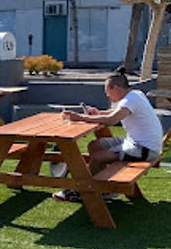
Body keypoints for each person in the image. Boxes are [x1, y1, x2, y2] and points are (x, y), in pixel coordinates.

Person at [53, 67, 163, 202]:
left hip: (146, 149)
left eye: (107, 91)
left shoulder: (130, 100)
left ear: (116, 88)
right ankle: (103, 187)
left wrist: (80, 117)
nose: (107, 95)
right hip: (136, 142)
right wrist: (98, 113)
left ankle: (82, 190)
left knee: (98, 158)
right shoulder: (135, 94)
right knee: (95, 145)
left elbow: (111, 120)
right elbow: (114, 113)